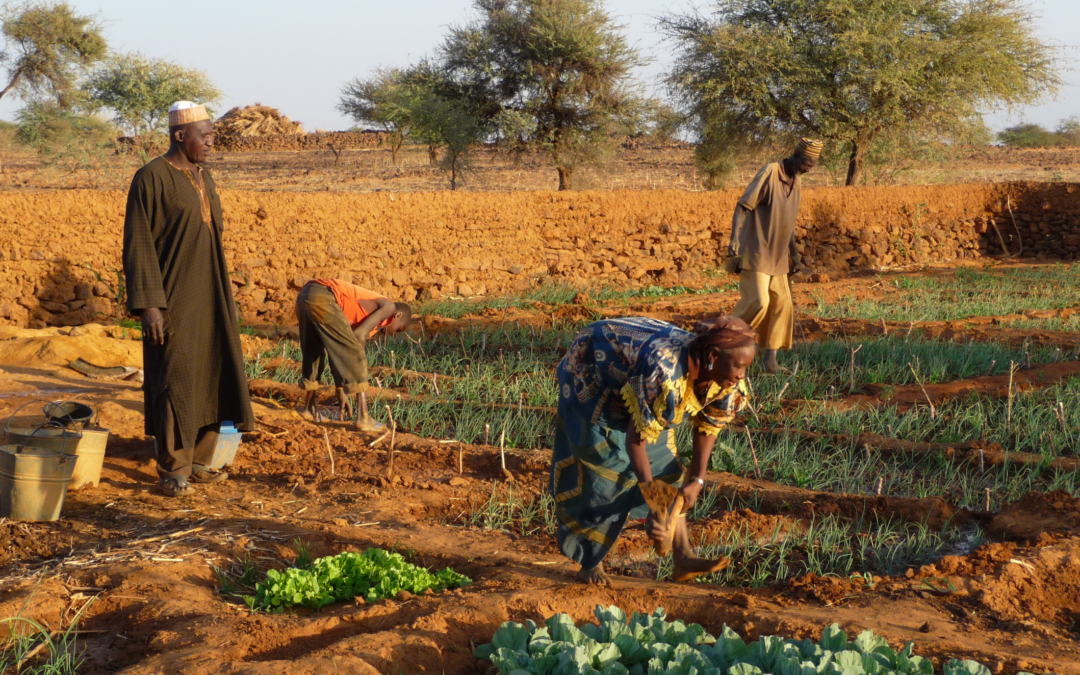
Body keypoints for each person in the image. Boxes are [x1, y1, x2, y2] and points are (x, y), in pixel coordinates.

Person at [550, 315, 756, 586]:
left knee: (666, 468)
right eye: (739, 366)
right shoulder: (665, 373)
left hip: (641, 388)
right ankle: (590, 562)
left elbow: (708, 428)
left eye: (746, 367)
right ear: (713, 356)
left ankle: (683, 556)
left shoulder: (728, 380)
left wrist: (697, 480)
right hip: (594, 376)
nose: (742, 374)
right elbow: (635, 442)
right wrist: (655, 502)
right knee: (606, 473)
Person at [123, 101, 255, 498]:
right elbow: (139, 244)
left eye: (213, 136)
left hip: (210, 293)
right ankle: (173, 470)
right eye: (205, 136)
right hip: (173, 297)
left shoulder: (204, 176)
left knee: (213, 371)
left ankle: (200, 460)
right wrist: (150, 305)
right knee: (175, 378)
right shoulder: (151, 177)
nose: (212, 142)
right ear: (180, 135)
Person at [728, 138, 823, 374]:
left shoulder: (797, 182)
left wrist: (795, 257)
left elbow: (788, 225)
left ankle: (770, 362)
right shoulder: (770, 172)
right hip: (757, 251)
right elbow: (743, 205)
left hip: (778, 257)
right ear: (797, 156)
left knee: (782, 306)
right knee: (759, 302)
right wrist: (734, 238)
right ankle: (723, 340)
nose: (808, 168)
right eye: (807, 163)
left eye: (812, 165)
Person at [294, 279, 411, 426]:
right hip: (325, 295)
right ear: (397, 316)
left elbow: (336, 349)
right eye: (398, 330)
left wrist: (339, 388)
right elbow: (358, 336)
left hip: (306, 295)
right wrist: (359, 362)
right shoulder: (389, 307)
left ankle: (309, 409)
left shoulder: (364, 318)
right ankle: (364, 417)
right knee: (357, 354)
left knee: (313, 351)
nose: (393, 334)